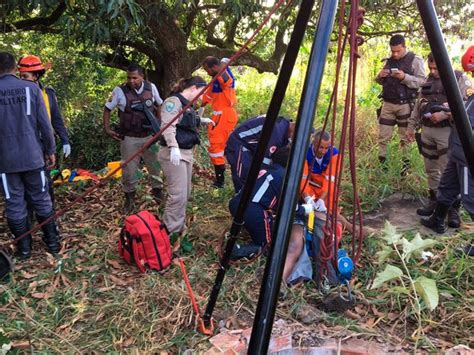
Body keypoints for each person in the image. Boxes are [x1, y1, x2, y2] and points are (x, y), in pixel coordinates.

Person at [0, 52, 61, 259]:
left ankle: (24, 250)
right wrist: (51, 150)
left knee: (14, 202)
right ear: (15, 69)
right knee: (42, 198)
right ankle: (52, 244)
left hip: (5, 161)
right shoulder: (32, 89)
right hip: (33, 156)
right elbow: (45, 124)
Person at [407, 53, 471, 225]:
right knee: (431, 169)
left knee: (448, 172)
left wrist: (444, 114)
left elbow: (467, 106)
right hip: (427, 130)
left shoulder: (459, 79)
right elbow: (418, 105)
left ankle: (453, 211)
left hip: (447, 132)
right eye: (431, 68)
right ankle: (434, 203)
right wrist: (411, 127)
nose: (434, 71)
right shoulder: (427, 80)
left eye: (437, 68)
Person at [421, 46, 474, 250]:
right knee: (447, 186)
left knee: (470, 197)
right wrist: (446, 110)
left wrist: (446, 114)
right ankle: (438, 219)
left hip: (468, 153)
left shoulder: (461, 82)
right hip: (458, 149)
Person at [229, 146, 314, 260]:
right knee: (267, 246)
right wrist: (305, 209)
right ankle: (235, 251)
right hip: (253, 211)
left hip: (236, 203)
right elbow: (288, 206)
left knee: (265, 224)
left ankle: (245, 233)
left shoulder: (267, 170)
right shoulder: (283, 176)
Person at [103, 63, 164, 214]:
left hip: (150, 137)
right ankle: (129, 199)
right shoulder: (119, 91)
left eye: (135, 78)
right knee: (129, 170)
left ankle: (158, 194)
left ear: (142, 77)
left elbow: (160, 104)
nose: (131, 81)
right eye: (129, 78)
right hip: (129, 138)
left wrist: (158, 123)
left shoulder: (151, 88)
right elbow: (107, 109)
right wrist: (107, 129)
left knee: (155, 166)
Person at [157, 76, 214, 235]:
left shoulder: (187, 105)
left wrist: (203, 120)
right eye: (201, 92)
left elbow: (187, 121)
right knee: (178, 195)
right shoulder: (173, 102)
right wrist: (173, 146)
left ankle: (178, 226)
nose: (202, 97)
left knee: (185, 193)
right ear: (194, 88)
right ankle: (169, 232)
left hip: (186, 152)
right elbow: (167, 126)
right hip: (173, 153)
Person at [17, 55, 71, 208]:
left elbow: (56, 119)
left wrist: (65, 140)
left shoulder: (48, 94)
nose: (22, 80)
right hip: (27, 144)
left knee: (45, 182)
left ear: (36, 76)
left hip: (45, 143)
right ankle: (30, 216)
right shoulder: (18, 95)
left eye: (25, 76)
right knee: (27, 183)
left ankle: (49, 215)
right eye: (20, 76)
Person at [375, 34, 425, 174]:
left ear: (404, 46)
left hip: (405, 105)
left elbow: (422, 82)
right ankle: (383, 167)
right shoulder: (389, 60)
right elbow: (378, 80)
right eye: (393, 51)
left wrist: (404, 77)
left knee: (405, 138)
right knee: (383, 136)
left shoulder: (415, 60)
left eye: (398, 51)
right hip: (387, 103)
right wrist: (381, 75)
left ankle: (405, 168)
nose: (395, 54)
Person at [225, 114, 295, 192]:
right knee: (244, 176)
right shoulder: (276, 133)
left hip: (252, 146)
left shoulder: (283, 126)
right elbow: (265, 162)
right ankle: (240, 199)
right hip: (240, 142)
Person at [202, 56, 238, 188]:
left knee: (216, 147)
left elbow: (226, 79)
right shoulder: (214, 81)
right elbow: (206, 97)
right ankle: (222, 178)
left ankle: (220, 182)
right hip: (217, 116)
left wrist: (223, 63)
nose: (206, 72)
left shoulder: (224, 76)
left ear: (214, 67)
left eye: (207, 69)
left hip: (225, 116)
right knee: (217, 147)